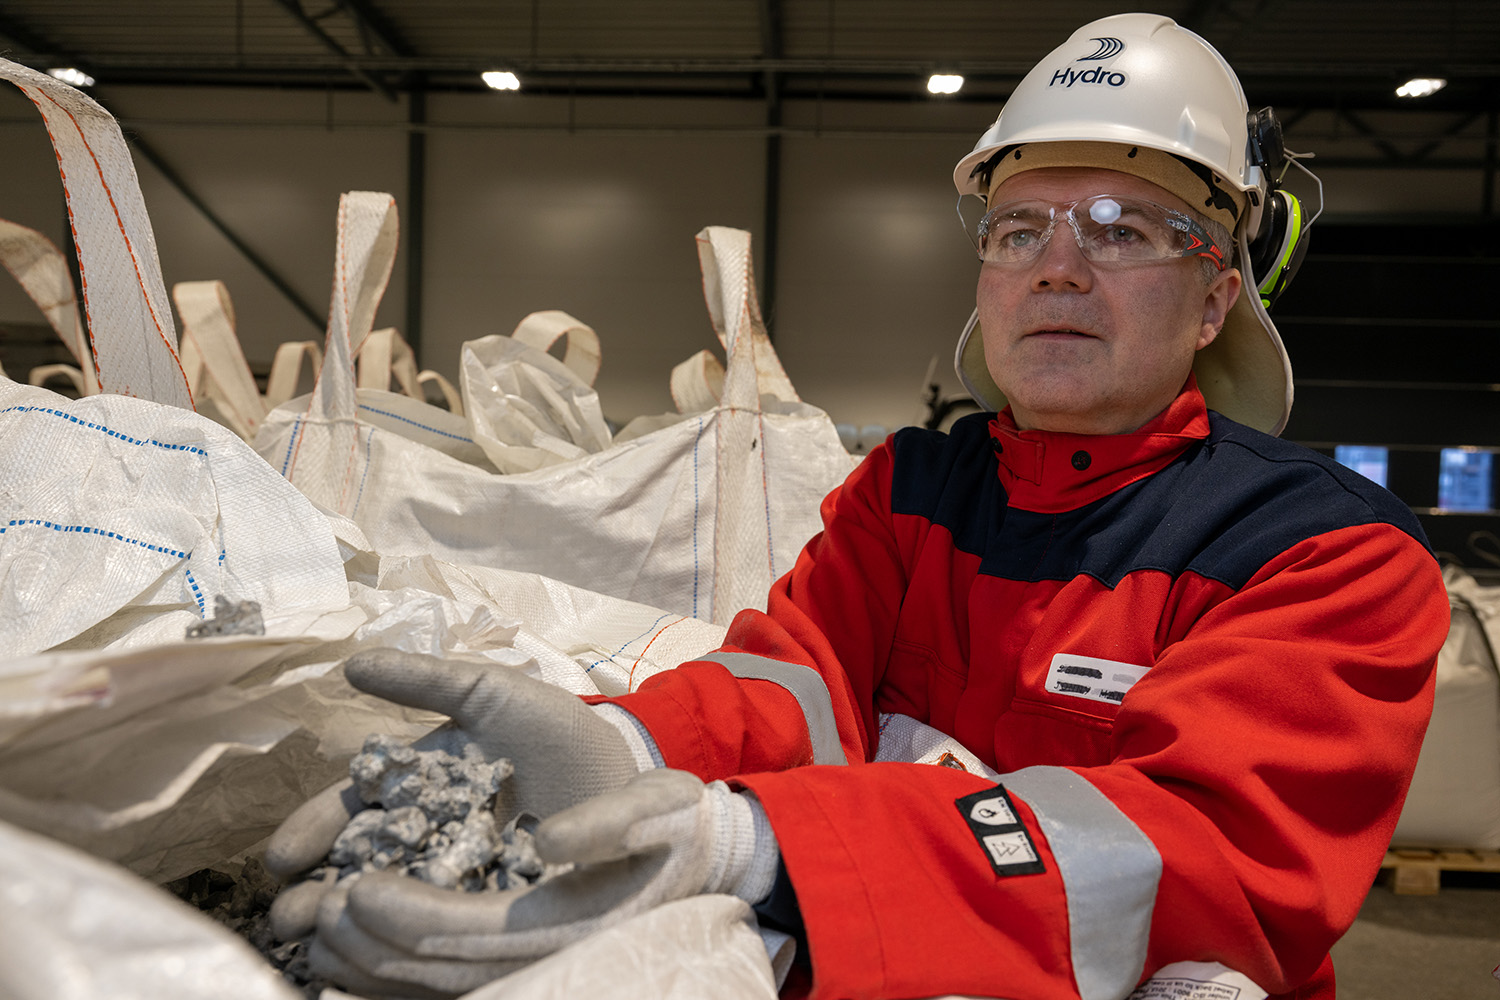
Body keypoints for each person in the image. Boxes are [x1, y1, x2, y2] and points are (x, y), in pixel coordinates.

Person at [265, 13, 1450, 1000]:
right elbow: (796, 687)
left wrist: (761, 849)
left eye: (1122, 229)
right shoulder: (912, 492)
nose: (1057, 267)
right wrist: (616, 745)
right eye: (1021, 226)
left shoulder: (1327, 556)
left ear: (1213, 300)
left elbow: (1204, 861)